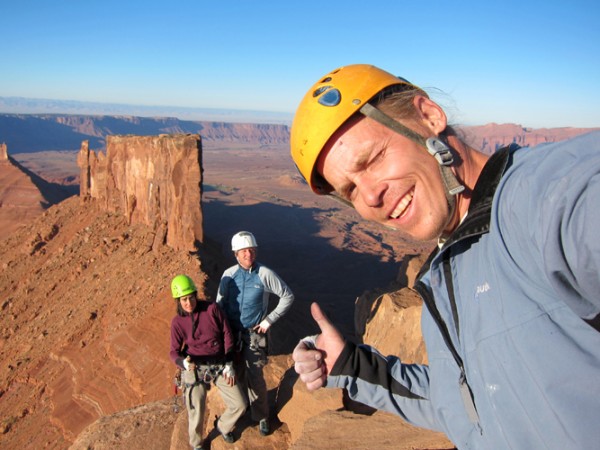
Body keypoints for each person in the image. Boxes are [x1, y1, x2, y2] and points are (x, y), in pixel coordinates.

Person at [289, 64, 600, 449]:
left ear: (430, 116)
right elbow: (466, 406)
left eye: (371, 160)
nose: (369, 197)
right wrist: (349, 366)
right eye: (350, 189)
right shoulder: (446, 270)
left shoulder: (548, 198)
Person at [216, 231, 295, 436]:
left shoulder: (264, 274)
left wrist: (269, 320)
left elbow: (287, 296)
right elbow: (219, 305)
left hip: (254, 335)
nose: (248, 254)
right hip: (231, 334)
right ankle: (241, 408)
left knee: (256, 377)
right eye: (243, 251)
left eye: (251, 250)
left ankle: (261, 416)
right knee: (237, 373)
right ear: (236, 253)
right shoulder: (228, 275)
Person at [169, 274, 246, 450]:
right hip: (195, 366)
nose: (188, 303)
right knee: (196, 408)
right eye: (183, 299)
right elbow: (173, 351)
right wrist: (183, 363)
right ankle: (196, 444)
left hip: (219, 364)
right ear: (178, 301)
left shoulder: (212, 309)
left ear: (196, 295)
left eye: (190, 297)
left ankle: (222, 427)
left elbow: (227, 334)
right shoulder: (177, 323)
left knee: (240, 404)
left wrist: (229, 363)